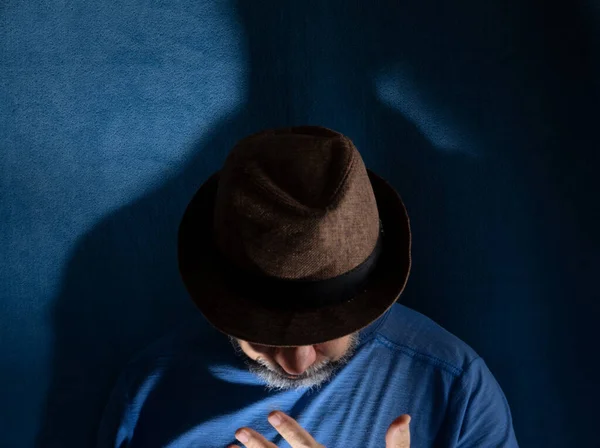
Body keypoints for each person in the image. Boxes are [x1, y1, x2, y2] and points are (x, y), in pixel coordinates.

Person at [97, 126, 519, 447]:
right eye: (265, 334)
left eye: (324, 331)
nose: (297, 364)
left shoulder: (455, 386)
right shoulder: (151, 388)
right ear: (220, 298)